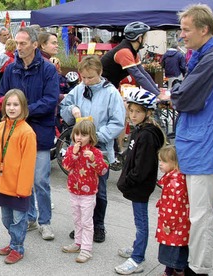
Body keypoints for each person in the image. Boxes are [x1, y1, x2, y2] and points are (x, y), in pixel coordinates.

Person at [158, 4, 213, 275]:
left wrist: (175, 93)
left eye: (186, 29)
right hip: (200, 146)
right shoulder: (207, 57)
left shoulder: (212, 60)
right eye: (181, 29)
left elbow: (185, 98)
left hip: (205, 147)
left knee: (200, 217)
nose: (182, 35)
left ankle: (197, 269)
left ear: (204, 29)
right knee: (195, 213)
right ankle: (187, 265)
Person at [0, 27, 60, 241]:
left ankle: (45, 221)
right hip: (16, 134)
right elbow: (2, 96)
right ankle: (31, 216)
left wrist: (25, 111)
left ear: (35, 45)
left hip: (40, 132)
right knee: (23, 178)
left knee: (40, 179)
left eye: (23, 43)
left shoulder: (48, 70)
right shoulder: (11, 69)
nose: (19, 47)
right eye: (17, 43)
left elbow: (51, 100)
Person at [59, 55, 126, 243]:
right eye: (84, 77)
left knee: (100, 191)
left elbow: (117, 122)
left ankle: (98, 226)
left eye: (90, 77)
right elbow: (64, 107)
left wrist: (97, 136)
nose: (86, 81)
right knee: (79, 189)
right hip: (78, 149)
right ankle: (81, 225)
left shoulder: (111, 93)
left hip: (100, 149)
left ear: (100, 73)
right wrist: (71, 109)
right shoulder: (80, 89)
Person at [115, 89, 165, 275]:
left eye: (138, 111)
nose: (133, 115)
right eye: (131, 110)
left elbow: (142, 167)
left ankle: (138, 258)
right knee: (139, 221)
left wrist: (127, 182)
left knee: (141, 222)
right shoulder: (140, 131)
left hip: (140, 187)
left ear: (148, 113)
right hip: (136, 185)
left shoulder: (147, 136)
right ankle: (137, 247)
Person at [0, 89, 37, 265]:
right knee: (6, 218)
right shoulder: (0, 127)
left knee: (19, 220)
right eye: (8, 104)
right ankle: (13, 241)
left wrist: (23, 189)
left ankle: (18, 247)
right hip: (4, 184)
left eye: (16, 104)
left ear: (23, 107)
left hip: (19, 187)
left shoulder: (27, 132)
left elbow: (28, 164)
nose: (11, 108)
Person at [61, 119, 109, 264]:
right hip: (74, 191)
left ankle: (86, 249)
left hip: (88, 193)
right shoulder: (71, 150)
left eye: (84, 135)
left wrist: (94, 159)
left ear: (91, 137)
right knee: (77, 218)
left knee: (87, 221)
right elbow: (66, 166)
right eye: (77, 134)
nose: (79, 138)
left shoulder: (96, 152)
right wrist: (74, 154)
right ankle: (77, 243)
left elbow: (103, 170)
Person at [156, 145, 190, 276]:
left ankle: (173, 271)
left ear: (175, 163)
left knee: (172, 250)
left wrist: (168, 224)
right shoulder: (175, 178)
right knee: (176, 248)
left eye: (164, 161)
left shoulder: (174, 182)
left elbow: (173, 206)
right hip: (178, 223)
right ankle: (173, 270)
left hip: (173, 224)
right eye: (160, 161)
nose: (160, 164)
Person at [100, 21, 160, 95]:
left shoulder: (132, 52)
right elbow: (139, 76)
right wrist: (158, 95)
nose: (145, 40)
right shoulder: (124, 52)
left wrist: (158, 91)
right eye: (145, 37)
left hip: (109, 86)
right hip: (101, 89)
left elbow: (143, 73)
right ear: (139, 38)